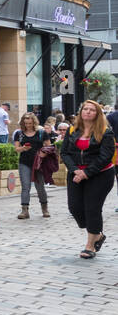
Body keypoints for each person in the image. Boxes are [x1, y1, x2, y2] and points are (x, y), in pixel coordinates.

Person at [60, 99, 116, 258]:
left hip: (100, 175)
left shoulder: (105, 131)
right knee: (75, 208)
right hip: (76, 174)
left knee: (92, 209)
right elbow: (65, 153)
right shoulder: (72, 130)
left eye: (92, 110)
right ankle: (96, 232)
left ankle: (90, 245)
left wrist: (86, 173)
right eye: (86, 109)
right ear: (81, 112)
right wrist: (76, 170)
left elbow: (106, 157)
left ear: (97, 113)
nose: (88, 112)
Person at [12, 112, 53, 219]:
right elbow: (16, 149)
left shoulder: (41, 133)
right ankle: (24, 210)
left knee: (40, 187)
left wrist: (44, 153)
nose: (28, 125)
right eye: (25, 123)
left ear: (34, 122)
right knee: (25, 186)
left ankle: (44, 208)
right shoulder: (19, 134)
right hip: (24, 162)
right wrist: (23, 148)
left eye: (30, 123)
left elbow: (49, 147)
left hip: (38, 163)